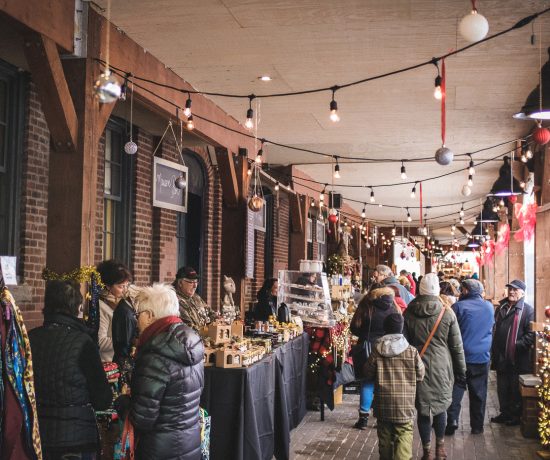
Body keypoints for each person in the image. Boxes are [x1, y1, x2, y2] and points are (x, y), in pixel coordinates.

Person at [119, 284, 205, 459]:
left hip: (160, 449)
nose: (137, 320)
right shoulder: (191, 343)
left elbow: (143, 419)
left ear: (150, 316)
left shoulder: (155, 353)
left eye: (138, 315)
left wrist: (123, 404)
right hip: (190, 444)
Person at [30, 280, 112, 460]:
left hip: (37, 437)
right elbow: (102, 399)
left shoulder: (30, 338)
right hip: (77, 439)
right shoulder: (83, 342)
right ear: (78, 308)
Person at [403, 273, 466, 460]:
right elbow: (456, 346)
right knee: (440, 408)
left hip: (417, 366)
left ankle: (427, 451)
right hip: (441, 368)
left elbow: (404, 342)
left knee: (423, 410)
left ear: (420, 290)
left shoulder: (408, 312)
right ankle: (440, 448)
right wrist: (461, 370)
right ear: (436, 289)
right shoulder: (447, 312)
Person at [365, 313, 425, 460]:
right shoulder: (411, 351)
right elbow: (421, 374)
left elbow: (367, 372)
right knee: (404, 433)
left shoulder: (377, 350)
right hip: (404, 404)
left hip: (383, 403)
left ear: (385, 328)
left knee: (385, 435)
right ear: (401, 328)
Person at [446, 279, 494, 435]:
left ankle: (452, 420)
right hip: (482, 356)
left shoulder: (458, 307)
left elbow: (450, 331)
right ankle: (477, 426)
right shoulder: (489, 307)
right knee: (479, 393)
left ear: (466, 290)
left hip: (461, 356)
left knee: (456, 388)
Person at [350, 286, 400, 429]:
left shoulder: (367, 305)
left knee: (367, 382)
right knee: (384, 384)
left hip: (368, 349)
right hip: (389, 348)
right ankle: (381, 419)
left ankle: (363, 419)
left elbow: (354, 327)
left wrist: (365, 334)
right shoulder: (394, 306)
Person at [491, 279, 534, 426]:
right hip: (501, 356)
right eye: (510, 289)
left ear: (522, 293)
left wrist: (515, 346)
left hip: (517, 358)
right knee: (502, 387)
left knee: (514, 389)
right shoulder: (501, 307)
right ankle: (504, 413)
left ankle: (515, 416)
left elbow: (530, 335)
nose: (511, 292)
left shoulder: (528, 310)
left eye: (515, 290)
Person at [97, 259, 133, 362]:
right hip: (108, 363)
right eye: (121, 286)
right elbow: (100, 341)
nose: (125, 290)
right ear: (108, 286)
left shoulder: (124, 302)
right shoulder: (101, 306)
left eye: (127, 285)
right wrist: (127, 340)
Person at [173, 266, 215, 332]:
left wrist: (217, 319)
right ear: (180, 283)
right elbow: (188, 328)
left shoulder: (196, 297)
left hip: (206, 337)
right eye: (191, 282)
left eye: (196, 282)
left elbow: (211, 313)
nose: (195, 286)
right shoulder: (173, 300)